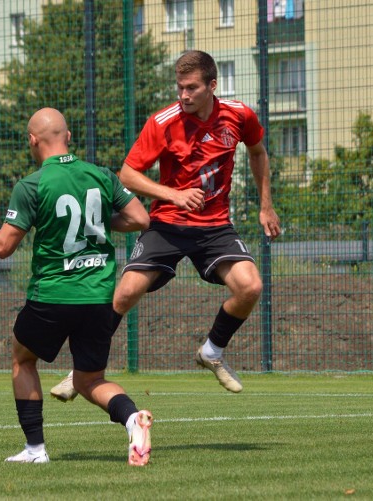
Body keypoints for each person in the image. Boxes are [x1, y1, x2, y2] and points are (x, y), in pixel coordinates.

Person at [51, 50, 281, 402]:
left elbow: (258, 152)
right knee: (125, 293)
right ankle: (81, 370)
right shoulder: (163, 122)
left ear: (212, 85)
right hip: (167, 224)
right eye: (179, 87)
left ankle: (212, 351)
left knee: (250, 287)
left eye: (191, 88)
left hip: (215, 226)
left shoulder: (238, 115)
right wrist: (173, 195)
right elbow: (127, 174)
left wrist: (266, 206)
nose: (184, 95)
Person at [0, 108, 153, 466]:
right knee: (88, 379)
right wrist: (96, 225)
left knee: (23, 359)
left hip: (52, 295)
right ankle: (133, 420)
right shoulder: (100, 174)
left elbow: (3, 246)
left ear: (32, 141)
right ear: (68, 137)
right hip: (99, 296)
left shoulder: (32, 185)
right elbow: (141, 219)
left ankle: (35, 450)